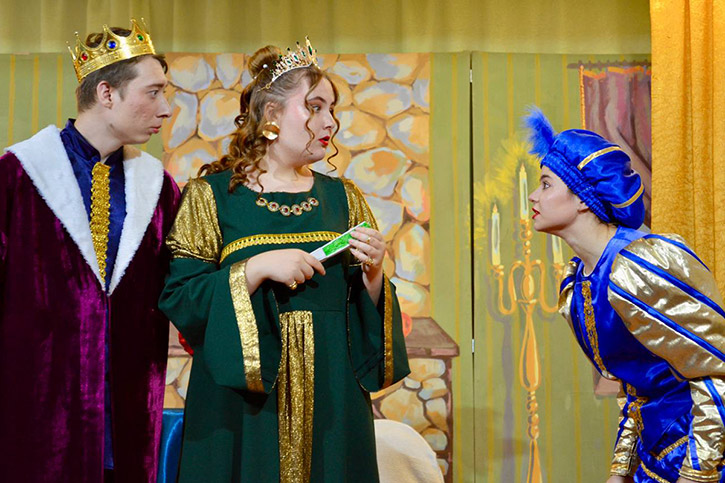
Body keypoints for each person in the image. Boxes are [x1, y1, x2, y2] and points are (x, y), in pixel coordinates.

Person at [159, 38, 410, 483]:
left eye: (332, 109)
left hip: (332, 399)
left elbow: (366, 314)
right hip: (241, 410)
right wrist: (255, 270)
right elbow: (182, 299)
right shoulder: (211, 197)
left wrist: (373, 273)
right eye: (314, 107)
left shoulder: (344, 198)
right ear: (272, 114)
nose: (329, 121)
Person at [0, 20, 180, 482]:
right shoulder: (18, 175)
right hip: (36, 411)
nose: (166, 108)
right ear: (106, 93)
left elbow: (185, 288)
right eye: (153, 92)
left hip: (127, 414)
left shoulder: (160, 189)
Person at [526, 107, 725, 483]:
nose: (533, 196)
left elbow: (718, 372)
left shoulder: (638, 267)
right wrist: (620, 470)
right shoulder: (579, 284)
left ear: (582, 198)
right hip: (656, 462)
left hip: (701, 457)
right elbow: (638, 388)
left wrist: (695, 474)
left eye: (546, 184)